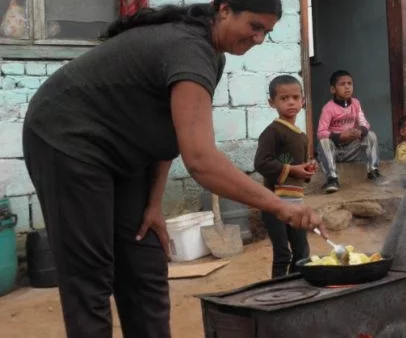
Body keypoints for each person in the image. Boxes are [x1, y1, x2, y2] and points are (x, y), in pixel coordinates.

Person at [21, 2, 325, 338]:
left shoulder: (213, 55)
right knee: (90, 275)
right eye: (254, 26)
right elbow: (201, 161)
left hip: (122, 150)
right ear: (224, 10)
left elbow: (170, 133)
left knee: (144, 264)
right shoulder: (189, 49)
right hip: (65, 138)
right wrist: (280, 206)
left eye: (266, 32)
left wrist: (153, 204)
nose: (258, 38)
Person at [254, 75, 317, 278]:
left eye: (295, 97)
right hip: (274, 203)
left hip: (296, 203)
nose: (291, 102)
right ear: (272, 103)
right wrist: (292, 169)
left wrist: (307, 169)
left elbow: (300, 171)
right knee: (283, 254)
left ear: (303, 101)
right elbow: (261, 163)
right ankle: (278, 292)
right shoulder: (272, 132)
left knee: (302, 253)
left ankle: (296, 291)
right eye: (284, 98)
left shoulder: (302, 136)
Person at [316, 70, 382, 193]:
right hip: (335, 151)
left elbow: (365, 123)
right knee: (324, 141)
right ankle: (332, 179)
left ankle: (373, 171)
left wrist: (360, 131)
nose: (347, 87)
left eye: (350, 83)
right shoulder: (328, 108)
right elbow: (321, 132)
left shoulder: (356, 103)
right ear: (333, 89)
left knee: (371, 135)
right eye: (342, 84)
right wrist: (340, 136)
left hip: (351, 150)